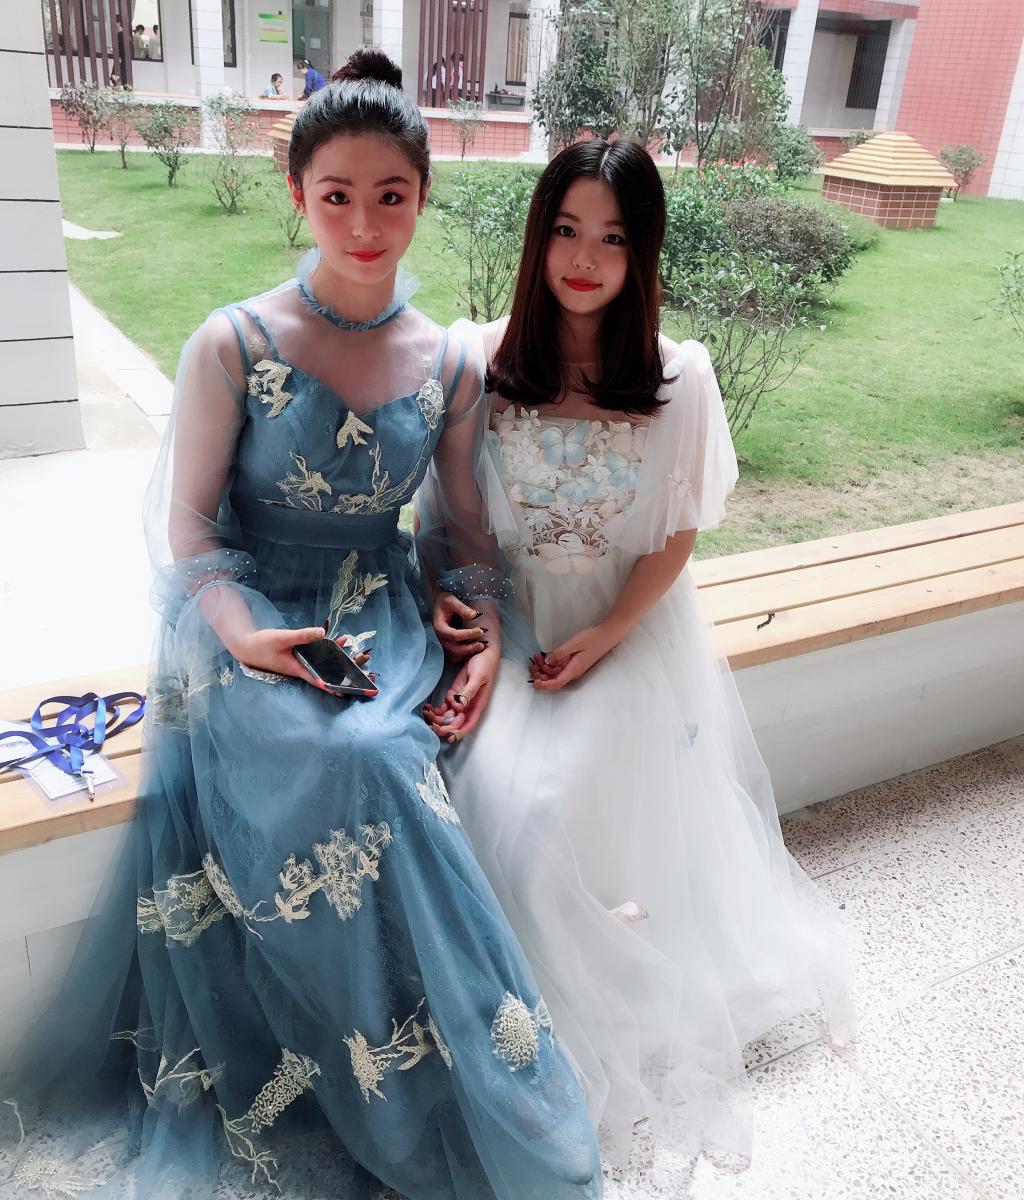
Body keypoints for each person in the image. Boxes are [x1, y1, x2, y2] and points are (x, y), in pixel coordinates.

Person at [0, 49, 602, 1200]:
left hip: (378, 609)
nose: (365, 224)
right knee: (362, 755)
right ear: (297, 195)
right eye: (337, 195)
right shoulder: (233, 342)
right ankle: (404, 1083)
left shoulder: (449, 362)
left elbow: (458, 528)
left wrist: (479, 632)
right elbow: (188, 527)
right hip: (246, 618)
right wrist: (242, 636)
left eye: (391, 195)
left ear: (423, 196)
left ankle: (461, 1071)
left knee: (389, 744)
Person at [421, 138, 854, 1181]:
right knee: (486, 796)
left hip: (623, 631)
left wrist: (610, 632)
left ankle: (573, 1023)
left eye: (612, 238)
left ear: (641, 251)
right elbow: (449, 522)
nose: (585, 258)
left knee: (551, 807)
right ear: (538, 238)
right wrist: (473, 619)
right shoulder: (478, 358)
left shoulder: (677, 375)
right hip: (510, 627)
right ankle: (498, 1017)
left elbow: (677, 532)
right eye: (566, 230)